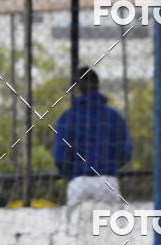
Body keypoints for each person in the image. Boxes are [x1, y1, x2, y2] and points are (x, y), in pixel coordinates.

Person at [53, 67, 132, 206]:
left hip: (79, 180)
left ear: (75, 88)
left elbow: (60, 157)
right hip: (107, 180)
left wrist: (71, 173)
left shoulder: (68, 118)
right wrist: (110, 166)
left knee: (77, 219)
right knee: (107, 220)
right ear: (97, 86)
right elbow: (125, 153)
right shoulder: (114, 117)